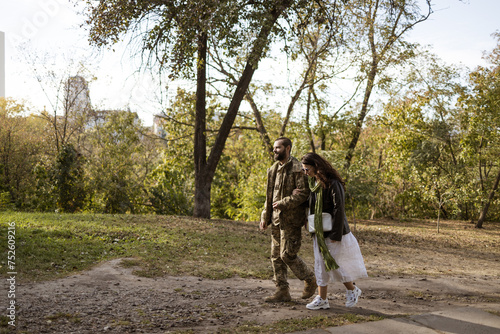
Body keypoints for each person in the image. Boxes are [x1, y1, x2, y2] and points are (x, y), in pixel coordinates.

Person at [298, 152, 367, 309]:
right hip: (319, 232)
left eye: (307, 169)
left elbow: (339, 209)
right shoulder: (313, 184)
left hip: (334, 232)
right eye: (304, 170)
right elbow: (311, 204)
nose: (305, 173)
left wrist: (336, 234)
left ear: (316, 166)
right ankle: (322, 299)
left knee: (335, 265)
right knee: (320, 265)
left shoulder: (333, 183)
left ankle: (352, 290)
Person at [260, 137, 317, 302]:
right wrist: (265, 216)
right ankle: (282, 291)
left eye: (278, 148)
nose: (274, 150)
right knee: (275, 256)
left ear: (288, 148)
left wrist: (283, 202)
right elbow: (269, 196)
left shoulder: (298, 168)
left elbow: (304, 194)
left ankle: (310, 278)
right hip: (276, 219)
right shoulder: (272, 169)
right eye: (274, 148)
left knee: (287, 254)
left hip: (291, 220)